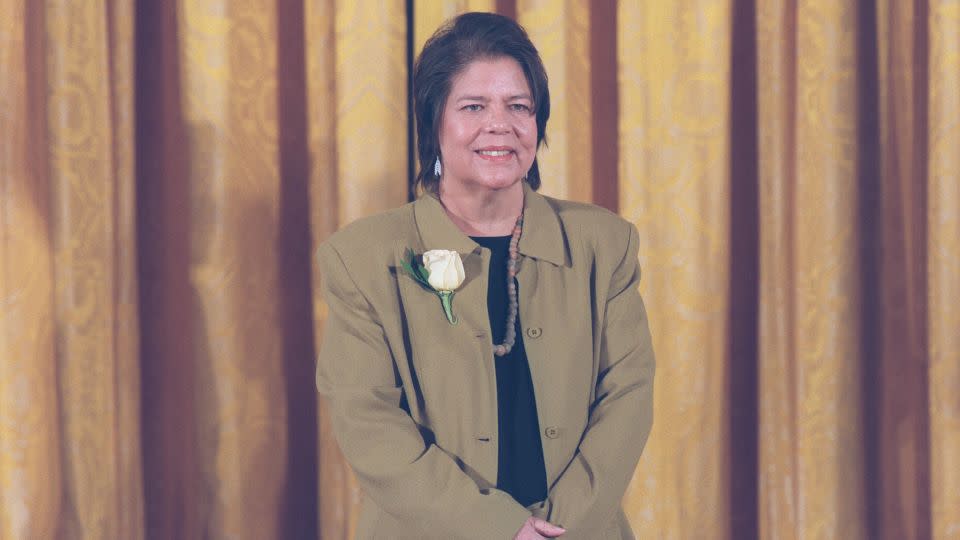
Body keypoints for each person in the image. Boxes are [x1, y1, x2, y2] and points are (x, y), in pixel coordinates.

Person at [316, 12, 655, 540]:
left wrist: (553, 529)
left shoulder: (604, 245)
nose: (500, 124)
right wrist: (501, 529)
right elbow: (369, 423)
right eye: (473, 106)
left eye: (519, 106)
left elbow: (627, 398)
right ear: (433, 123)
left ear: (539, 122)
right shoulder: (363, 258)